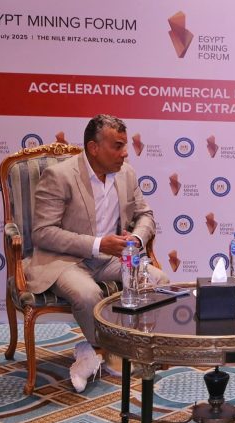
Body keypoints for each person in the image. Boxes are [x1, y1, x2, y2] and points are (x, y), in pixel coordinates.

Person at [25, 114, 169, 392]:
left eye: (125, 145)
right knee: (88, 294)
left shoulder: (126, 173)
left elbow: (145, 215)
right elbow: (42, 233)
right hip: (66, 260)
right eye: (117, 146)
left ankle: (129, 349)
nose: (125, 153)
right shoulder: (60, 176)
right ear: (94, 148)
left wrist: (136, 238)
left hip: (112, 258)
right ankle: (105, 350)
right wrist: (98, 244)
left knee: (158, 281)